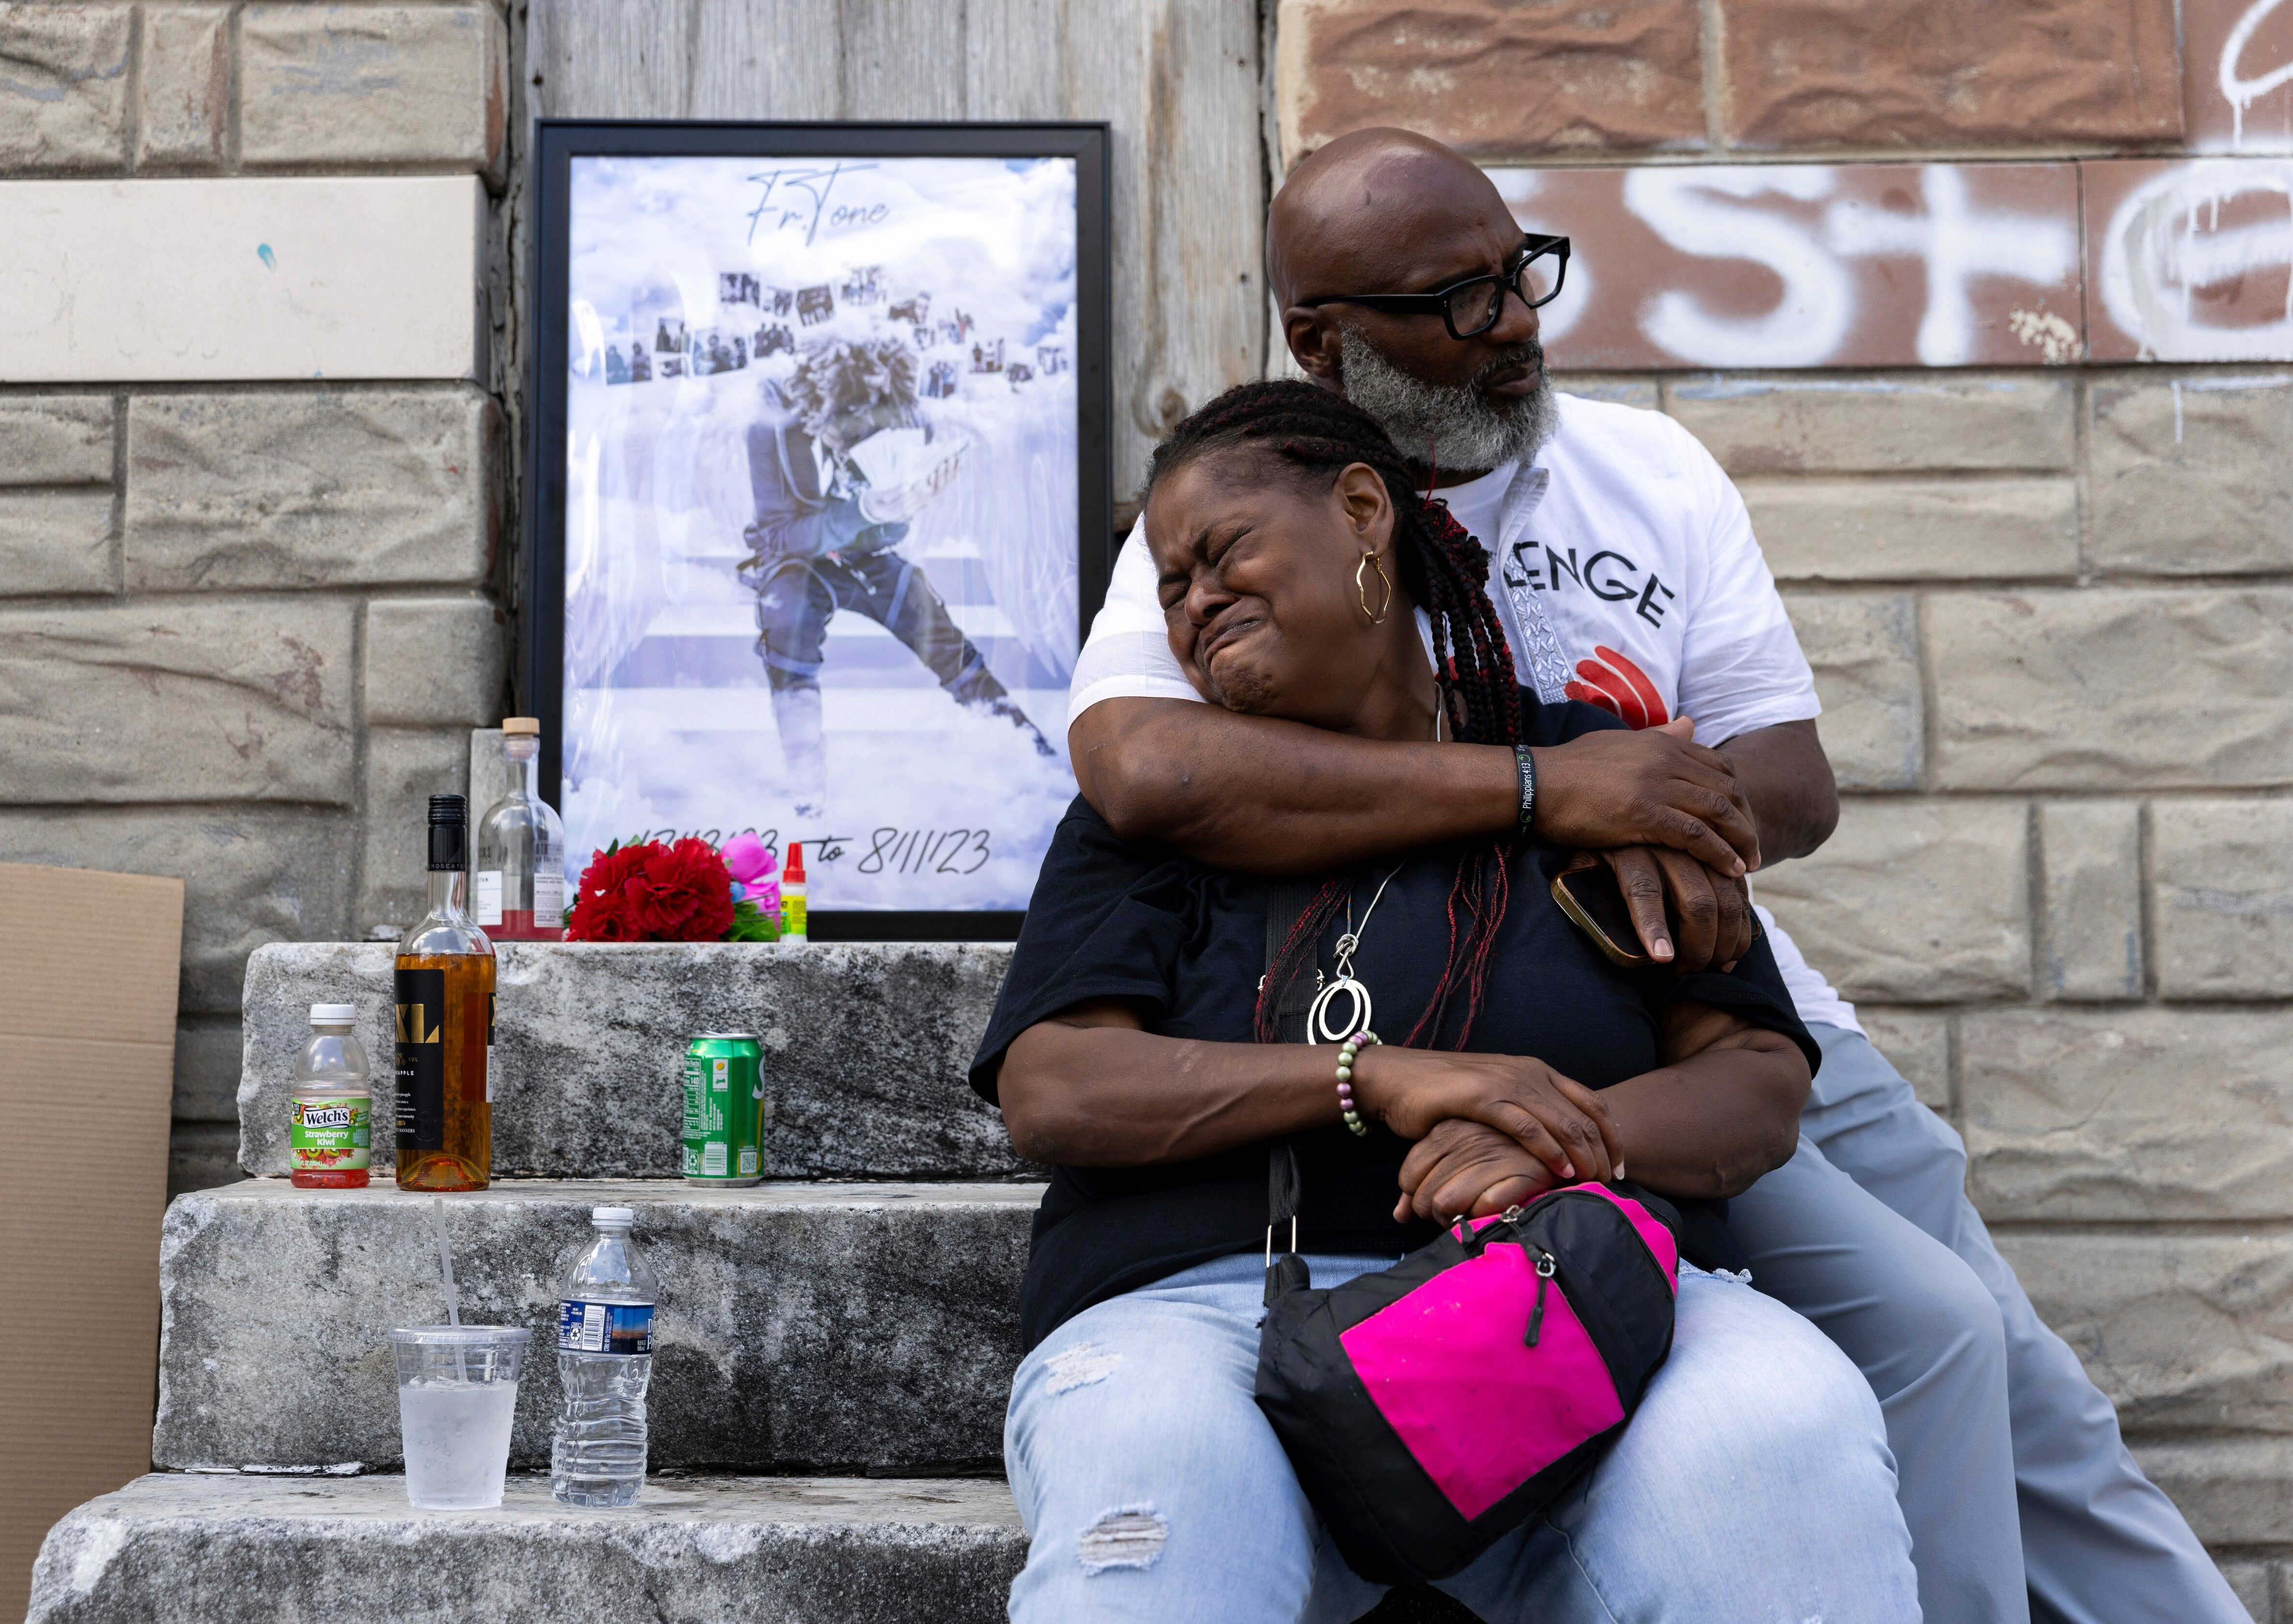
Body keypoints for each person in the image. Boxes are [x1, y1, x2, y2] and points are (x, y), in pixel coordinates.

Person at [1064, 127, 2247, 1624]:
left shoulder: (1639, 468)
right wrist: (1546, 790)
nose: (1515, 324)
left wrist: (1654, 806)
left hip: (1702, 1010)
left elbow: (1791, 781)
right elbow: (1144, 774)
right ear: (1323, 338)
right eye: (1460, 297)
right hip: (1424, 1063)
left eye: (1519, 272)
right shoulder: (1240, 509)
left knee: (1973, 1351)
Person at [975, 380, 1921, 1624]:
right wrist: (1374, 1077)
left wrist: (1567, 1143)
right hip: (1201, 1313)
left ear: (1364, 510)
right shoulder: (1156, 817)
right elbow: (1055, 1085)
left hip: (1571, 1299)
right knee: (1166, 1499)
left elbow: (1750, 1082)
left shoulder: (1601, 773)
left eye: (1222, 552)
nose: (1193, 601)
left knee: (1779, 1434)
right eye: (1168, 584)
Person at [742, 334, 1053, 814]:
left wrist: (909, 502)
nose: (846, 440)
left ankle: (1038, 761)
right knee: (787, 616)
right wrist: (864, 509)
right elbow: (775, 538)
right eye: (837, 427)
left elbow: (888, 525)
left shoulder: (902, 415)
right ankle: (806, 795)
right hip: (796, 561)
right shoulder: (771, 430)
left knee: (932, 621)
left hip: (867, 557)